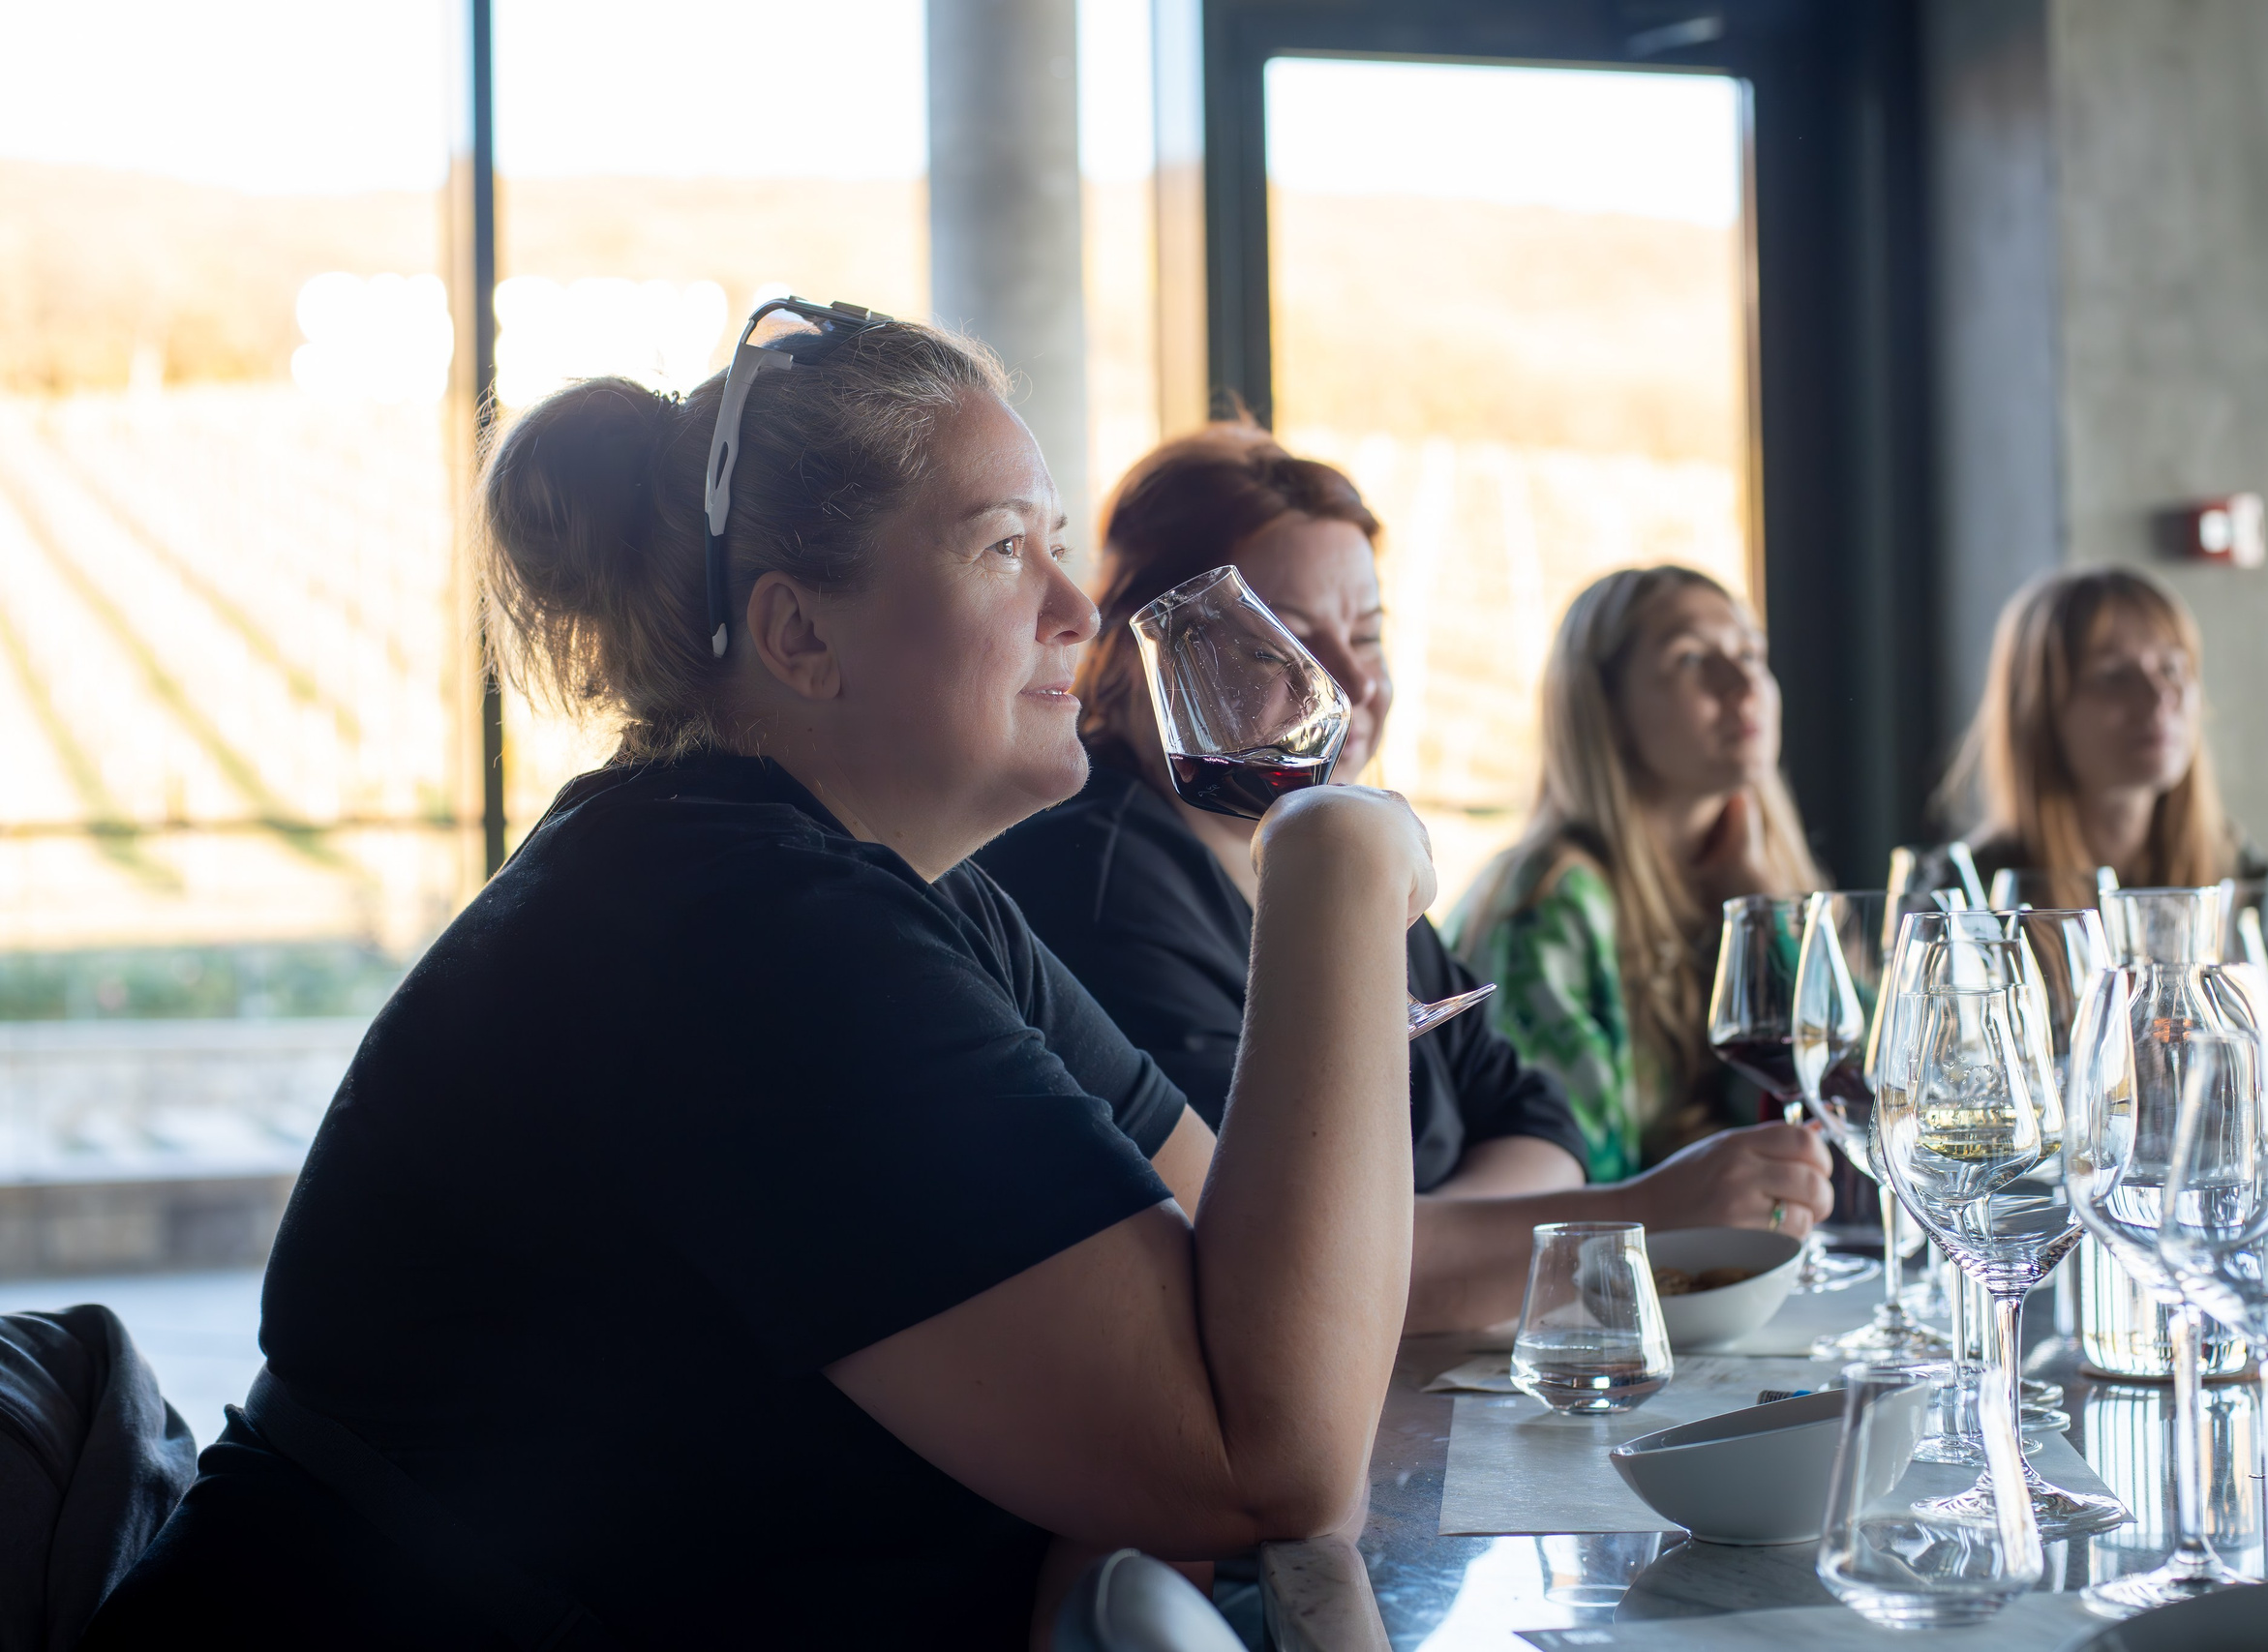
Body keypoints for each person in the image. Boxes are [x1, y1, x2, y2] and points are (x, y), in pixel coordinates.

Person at [84, 314, 1440, 1649]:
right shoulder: (730, 928)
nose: (1080, 612)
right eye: (1003, 547)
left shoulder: (895, 895)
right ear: (799, 636)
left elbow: (1253, 1285)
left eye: (1059, 544)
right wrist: (1335, 856)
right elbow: (1272, 1457)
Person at [977, 428, 1831, 1336]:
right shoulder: (1109, 883)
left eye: (1367, 635)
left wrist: (1432, 1247)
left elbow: (1538, 1120)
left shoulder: (1331, 852)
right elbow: (1290, 1280)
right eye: (1283, 644)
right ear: (1160, 658)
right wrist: (1637, 1217)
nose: (1346, 684)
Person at [1450, 565, 1827, 1182]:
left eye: (1750, 653)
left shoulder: (1749, 869)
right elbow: (1584, 1179)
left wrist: (1762, 906)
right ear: (1606, 709)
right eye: (1689, 659)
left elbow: (1881, 1095)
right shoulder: (1546, 904)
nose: (1743, 683)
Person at [1934, 565, 2268, 892]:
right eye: (2114, 676)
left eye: (2171, 668)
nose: (2159, 698)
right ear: (2040, 713)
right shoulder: (1962, 899)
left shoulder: (2244, 880)